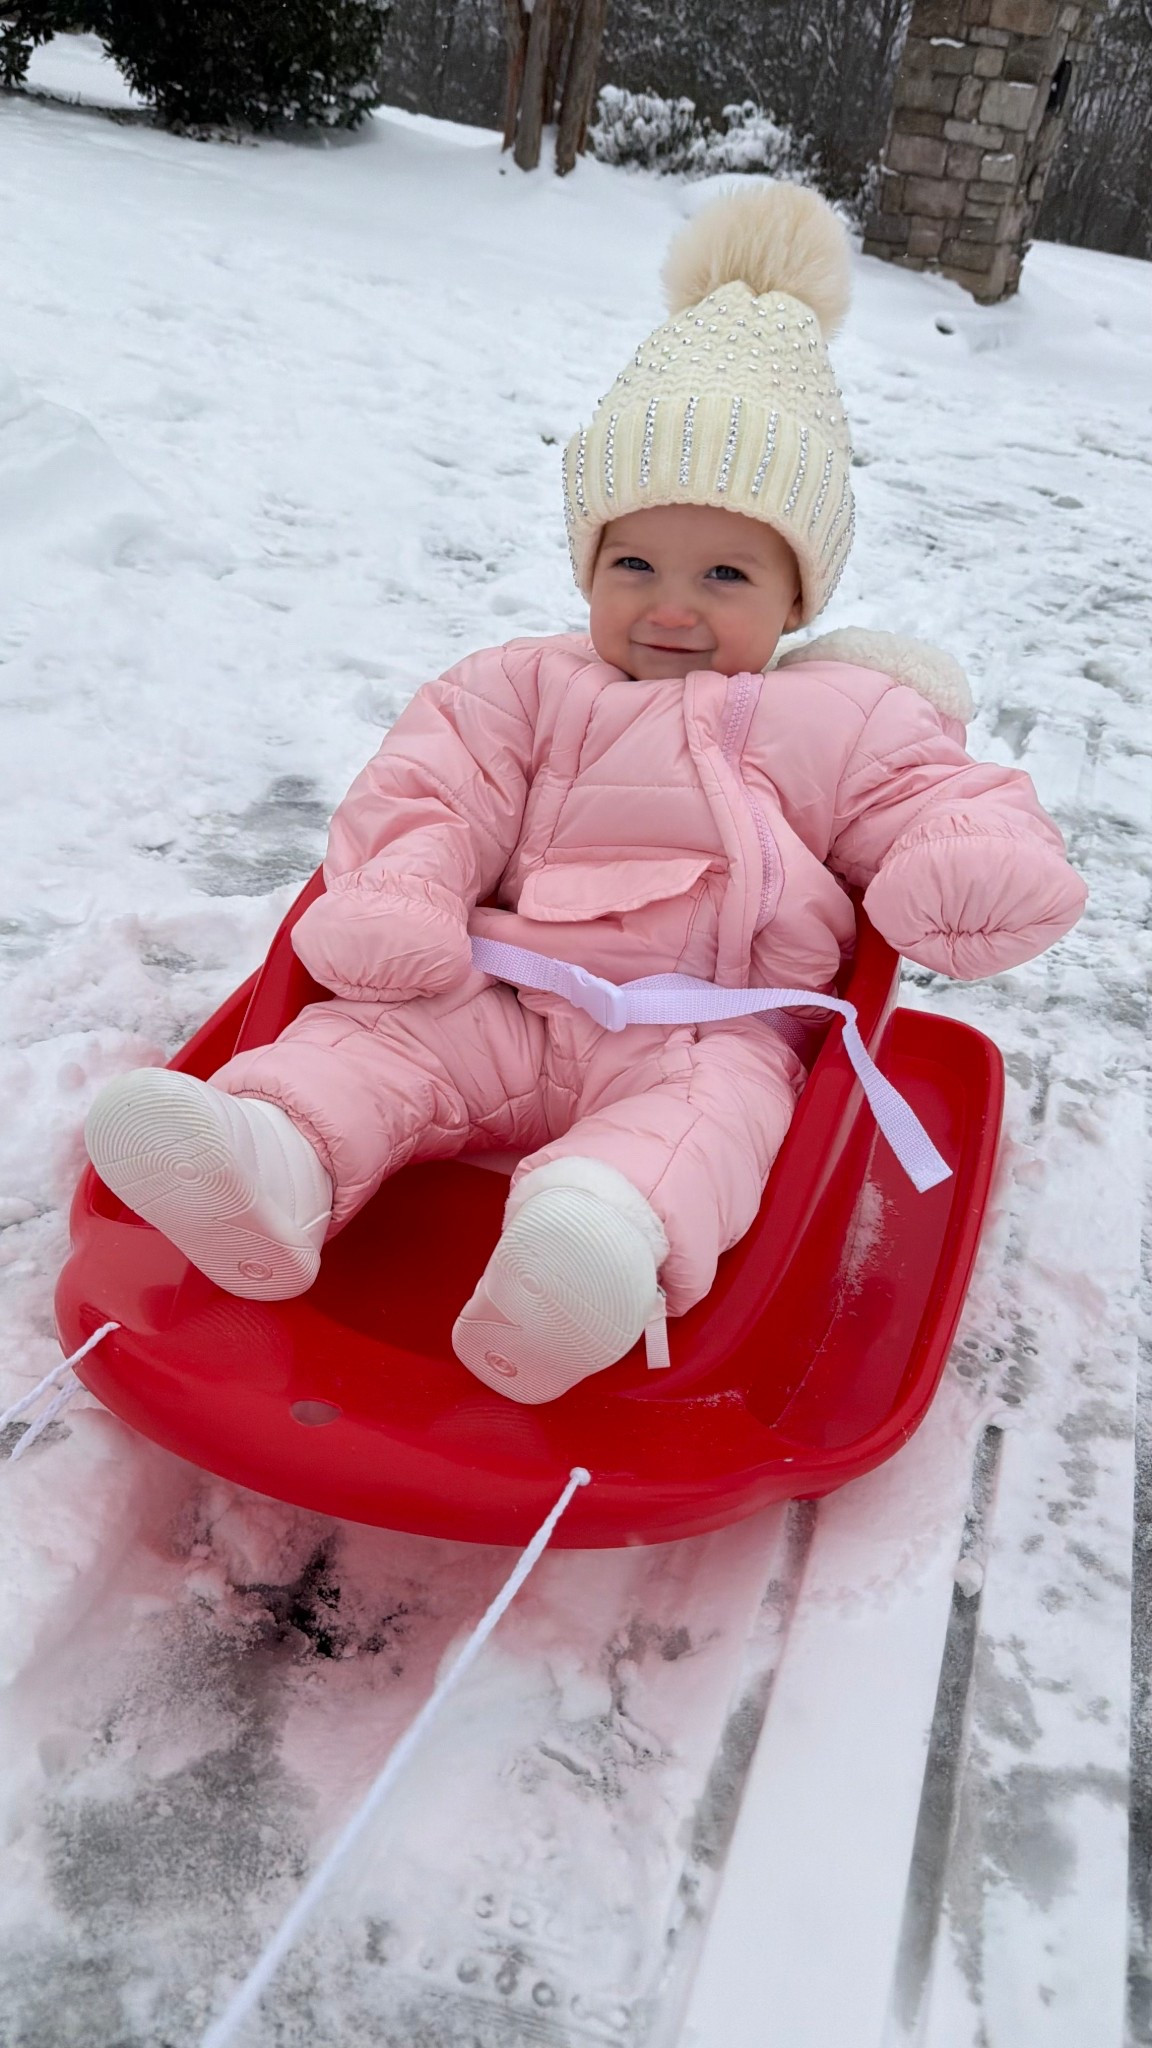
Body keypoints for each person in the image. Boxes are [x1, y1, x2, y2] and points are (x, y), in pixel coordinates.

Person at [84, 183, 1086, 1406]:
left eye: (725, 571)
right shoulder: (524, 683)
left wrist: (967, 860)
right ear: (586, 561)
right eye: (634, 562)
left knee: (699, 1131)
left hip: (707, 1026)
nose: (673, 605)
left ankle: (586, 1251)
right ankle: (268, 1163)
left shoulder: (844, 709)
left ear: (798, 597)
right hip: (502, 990)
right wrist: (409, 887)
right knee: (369, 1045)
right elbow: (428, 786)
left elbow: (937, 792)